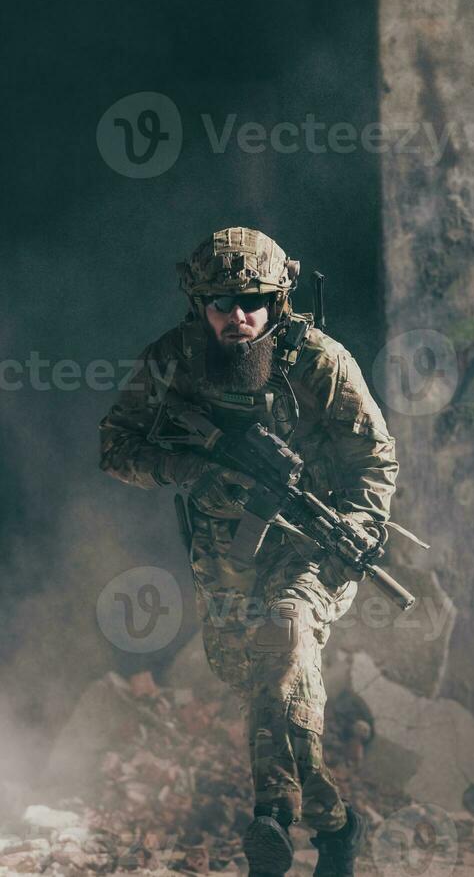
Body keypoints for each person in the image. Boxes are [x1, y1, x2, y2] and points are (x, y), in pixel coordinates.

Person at [99, 227, 399, 877]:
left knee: (286, 633)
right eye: (221, 303)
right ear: (198, 305)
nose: (238, 316)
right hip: (224, 553)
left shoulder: (318, 362)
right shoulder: (173, 361)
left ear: (277, 301)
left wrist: (358, 522)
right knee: (258, 677)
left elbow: (373, 457)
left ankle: (274, 816)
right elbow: (117, 446)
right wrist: (190, 471)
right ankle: (335, 824)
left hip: (313, 543)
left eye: (253, 301)